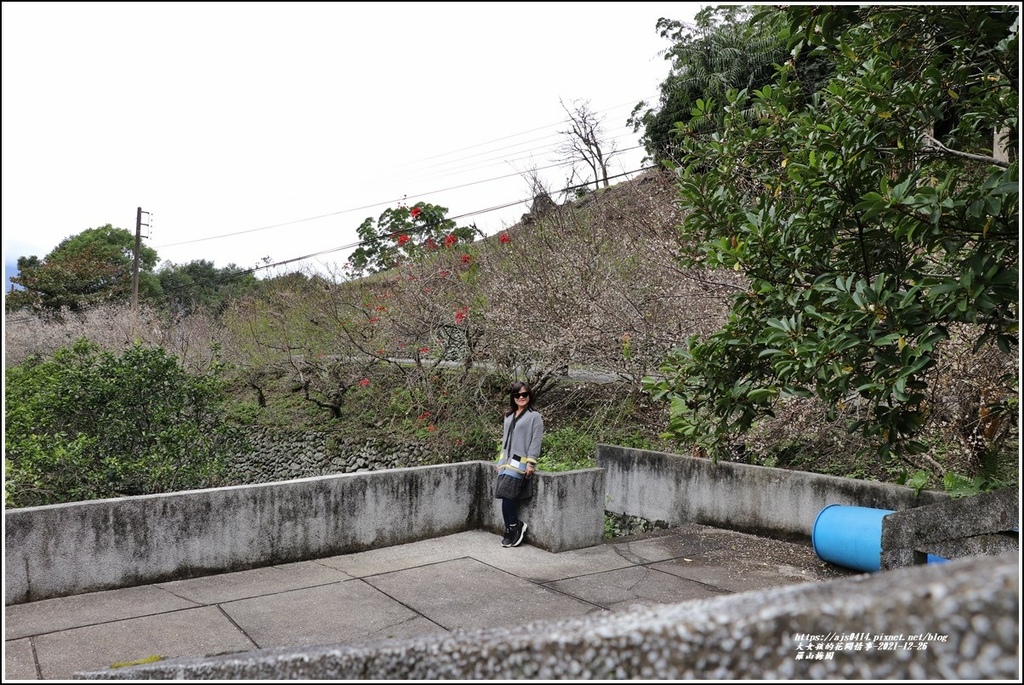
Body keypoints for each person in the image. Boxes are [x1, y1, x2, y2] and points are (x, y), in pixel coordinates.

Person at [494, 381, 543, 547]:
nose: (521, 397)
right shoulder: (509, 416)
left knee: (508, 495)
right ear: (513, 397)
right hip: (506, 462)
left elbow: (536, 440)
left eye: (524, 394)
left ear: (529, 396)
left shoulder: (534, 416)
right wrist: (500, 461)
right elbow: (504, 441)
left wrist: (531, 462)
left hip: (520, 463)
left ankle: (516, 525)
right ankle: (509, 529)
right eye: (517, 395)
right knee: (503, 496)